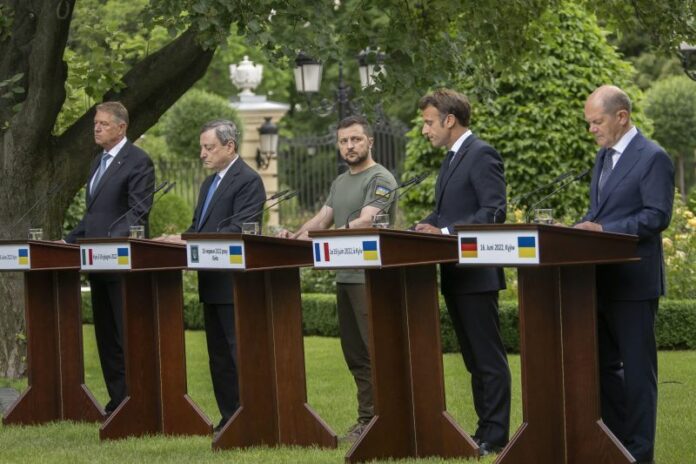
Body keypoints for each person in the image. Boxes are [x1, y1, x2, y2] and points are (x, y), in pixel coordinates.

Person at [278, 115, 398, 442]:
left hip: (370, 278)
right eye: (344, 141)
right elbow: (322, 220)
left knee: (374, 352)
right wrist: (295, 237)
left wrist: (329, 237)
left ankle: (385, 420)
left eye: (356, 139)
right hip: (345, 275)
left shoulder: (380, 178)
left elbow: (366, 220)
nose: (349, 146)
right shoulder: (340, 182)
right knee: (355, 354)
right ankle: (367, 420)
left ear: (370, 141)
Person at [574, 85, 674, 464]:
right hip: (599, 281)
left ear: (622, 116)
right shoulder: (603, 157)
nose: (591, 130)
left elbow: (656, 216)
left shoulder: (653, 157)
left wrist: (603, 230)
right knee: (602, 368)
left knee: (637, 373)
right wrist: (579, 228)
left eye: (596, 122)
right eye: (589, 123)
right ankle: (614, 445)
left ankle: (640, 454)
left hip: (634, 283)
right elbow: (599, 212)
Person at [414, 89, 510, 456]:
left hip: (477, 273)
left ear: (449, 120)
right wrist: (419, 228)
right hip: (455, 274)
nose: (425, 130)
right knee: (473, 360)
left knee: (488, 360)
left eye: (428, 122)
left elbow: (493, 212)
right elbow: (445, 214)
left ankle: (495, 437)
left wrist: (443, 232)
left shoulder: (482, 154)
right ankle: (483, 431)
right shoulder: (452, 158)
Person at [159, 119, 266, 434]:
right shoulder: (208, 184)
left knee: (237, 354)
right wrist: (177, 239)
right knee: (218, 358)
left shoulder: (248, 180)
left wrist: (189, 240)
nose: (202, 154)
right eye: (202, 148)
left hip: (234, 283)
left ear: (229, 146)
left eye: (209, 147)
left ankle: (251, 417)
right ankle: (228, 418)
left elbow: (239, 229)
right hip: (210, 280)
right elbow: (198, 227)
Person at [65, 101, 155, 415]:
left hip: (121, 264)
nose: (97, 128)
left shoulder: (138, 161)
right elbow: (93, 217)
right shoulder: (97, 162)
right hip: (95, 262)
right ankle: (117, 402)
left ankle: (137, 400)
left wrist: (109, 243)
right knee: (106, 336)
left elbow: (138, 213)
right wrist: (66, 241)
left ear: (121, 127)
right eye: (95, 124)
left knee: (126, 333)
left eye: (103, 124)